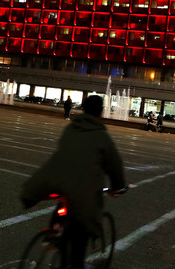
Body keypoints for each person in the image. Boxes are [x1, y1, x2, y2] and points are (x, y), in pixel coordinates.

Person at [20, 95, 126, 268]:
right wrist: (118, 186)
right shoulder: (101, 135)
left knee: (64, 199)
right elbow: (114, 164)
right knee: (81, 228)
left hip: (57, 180)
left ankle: (53, 234)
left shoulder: (71, 128)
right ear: (100, 112)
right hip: (81, 192)